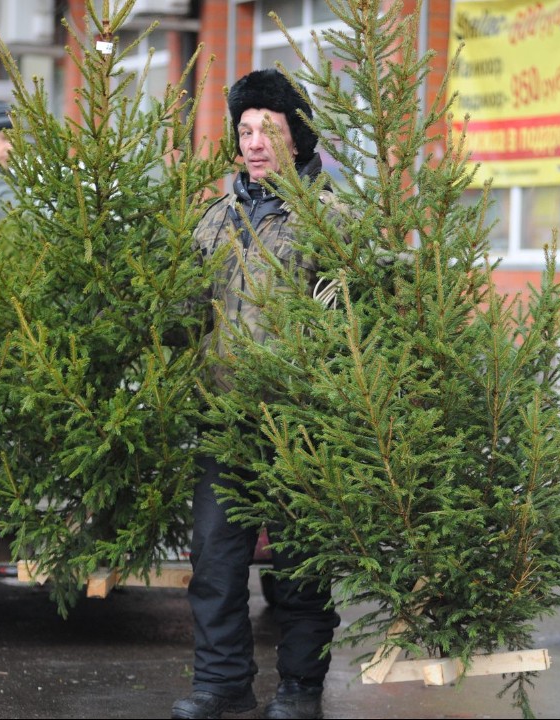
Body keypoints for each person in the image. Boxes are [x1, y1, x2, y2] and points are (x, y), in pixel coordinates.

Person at [172, 68, 349, 720]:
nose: (253, 142)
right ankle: (223, 687)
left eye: (267, 129)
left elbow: (343, 325)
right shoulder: (215, 220)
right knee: (215, 566)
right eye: (244, 129)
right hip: (225, 424)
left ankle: (300, 691)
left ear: (295, 137)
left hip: (299, 426)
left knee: (301, 571)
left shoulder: (329, 220)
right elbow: (186, 316)